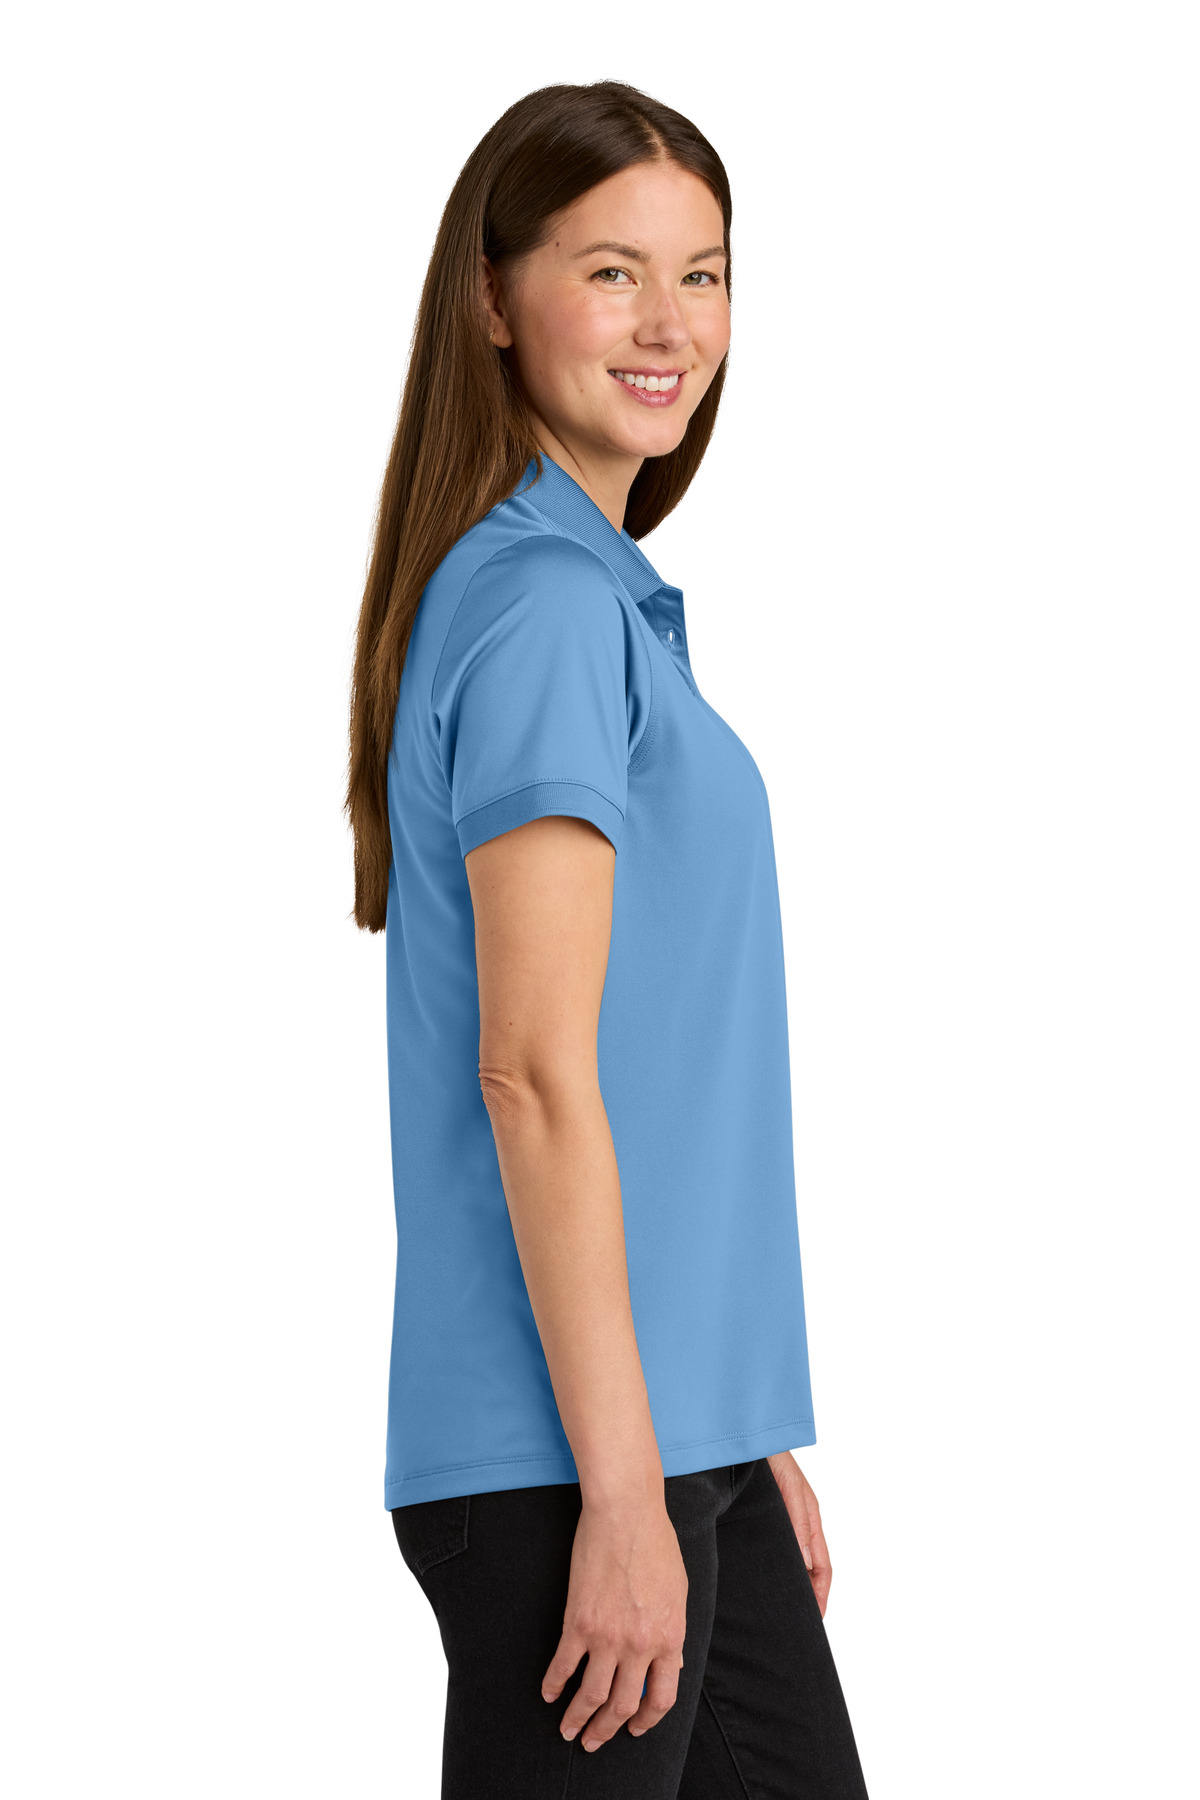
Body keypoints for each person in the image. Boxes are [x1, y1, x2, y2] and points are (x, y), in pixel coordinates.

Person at [346, 79, 870, 1800]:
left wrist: (735, 1435)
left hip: (661, 1434)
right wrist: (632, 1494)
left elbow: (655, 1060)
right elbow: (536, 1075)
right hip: (570, 1461)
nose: (670, 325)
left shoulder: (590, 601)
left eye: (703, 275)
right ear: (494, 299)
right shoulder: (550, 611)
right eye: (612, 272)